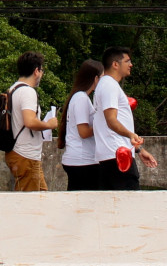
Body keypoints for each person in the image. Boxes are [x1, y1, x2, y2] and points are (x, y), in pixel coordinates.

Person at [91, 47, 156, 190]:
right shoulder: (109, 85)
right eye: (127, 61)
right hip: (118, 157)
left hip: (114, 155)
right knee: (129, 205)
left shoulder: (106, 85)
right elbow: (111, 120)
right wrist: (131, 134)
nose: (131, 64)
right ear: (115, 64)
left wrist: (138, 150)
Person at [3, 51, 58, 192]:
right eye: (42, 70)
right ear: (36, 71)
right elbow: (30, 122)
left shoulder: (13, 89)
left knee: (41, 197)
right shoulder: (28, 92)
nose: (42, 74)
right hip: (25, 154)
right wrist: (49, 125)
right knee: (30, 205)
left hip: (22, 153)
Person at [59, 59, 104, 191]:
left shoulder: (81, 97)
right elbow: (83, 132)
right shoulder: (81, 99)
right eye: (101, 78)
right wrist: (102, 123)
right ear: (95, 79)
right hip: (82, 161)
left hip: (81, 160)